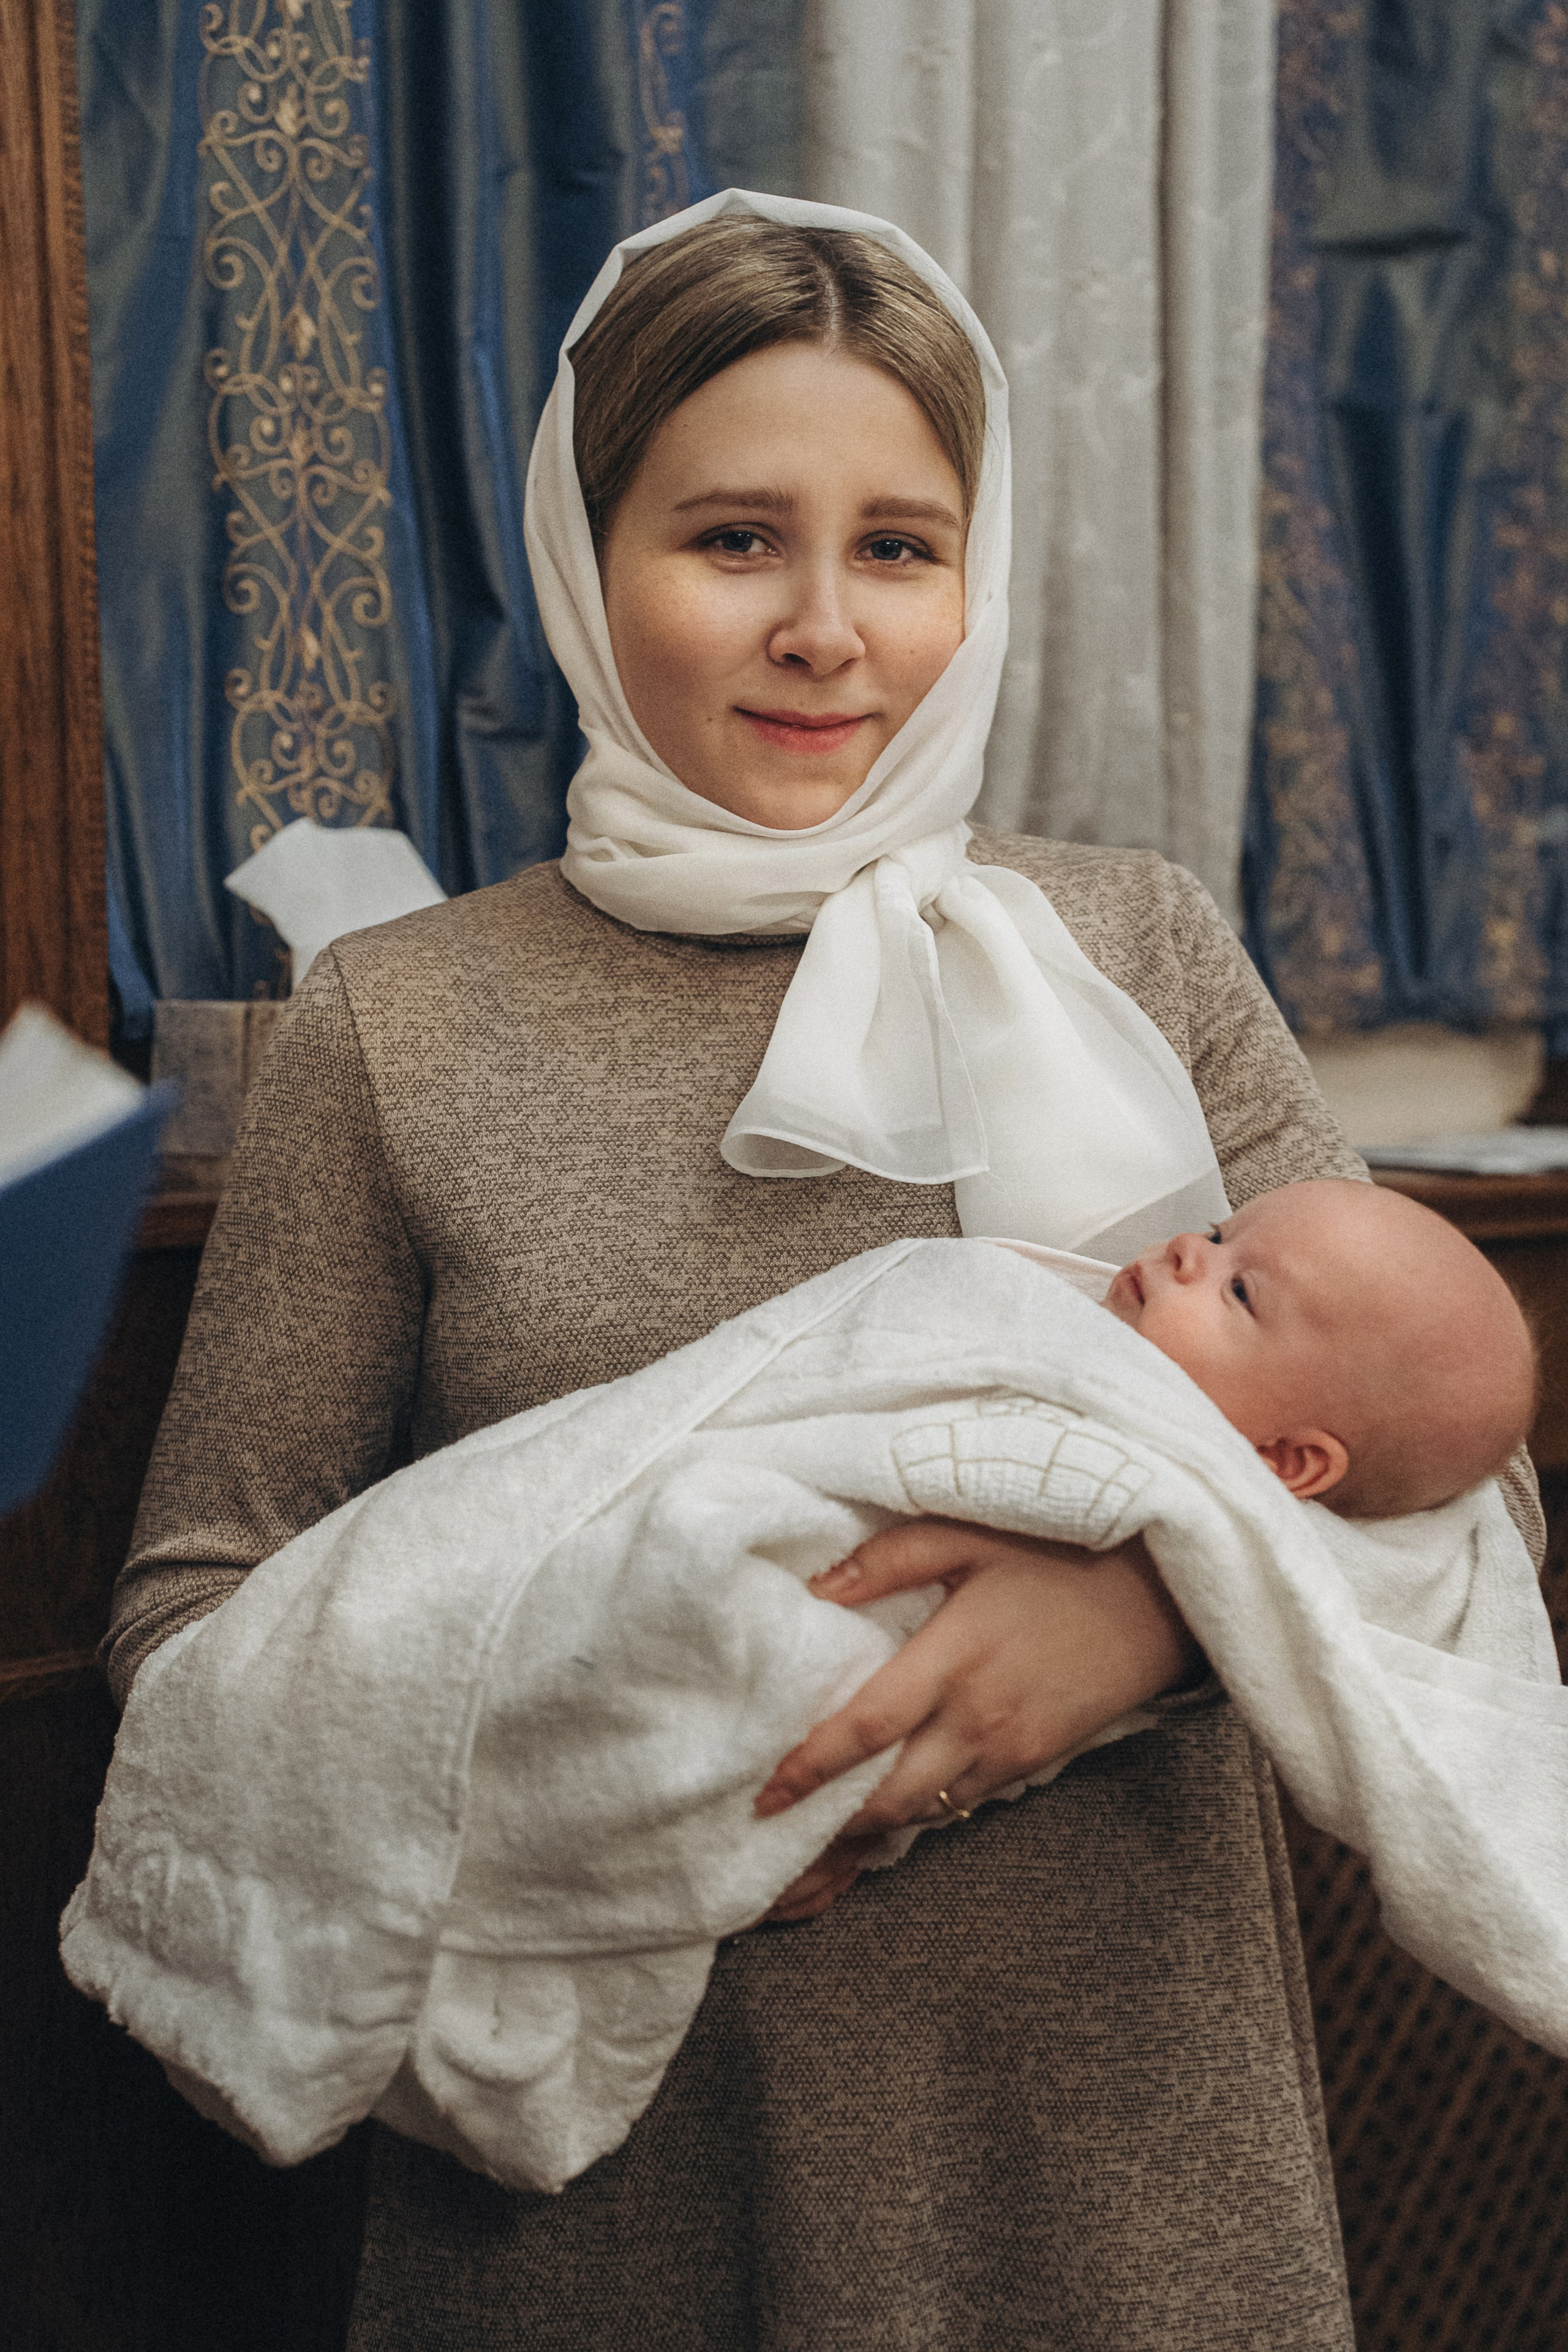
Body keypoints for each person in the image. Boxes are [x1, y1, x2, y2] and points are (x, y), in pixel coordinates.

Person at [105, 190, 1542, 2350]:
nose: (826, 630)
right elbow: (194, 1622)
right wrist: (593, 1738)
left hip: (1119, 2152)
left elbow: (1451, 1492)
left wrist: (1143, 1606)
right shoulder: (398, 1024)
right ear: (589, 568)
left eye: (899, 545)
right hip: (614, 2183)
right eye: (730, 539)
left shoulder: (1135, 943)